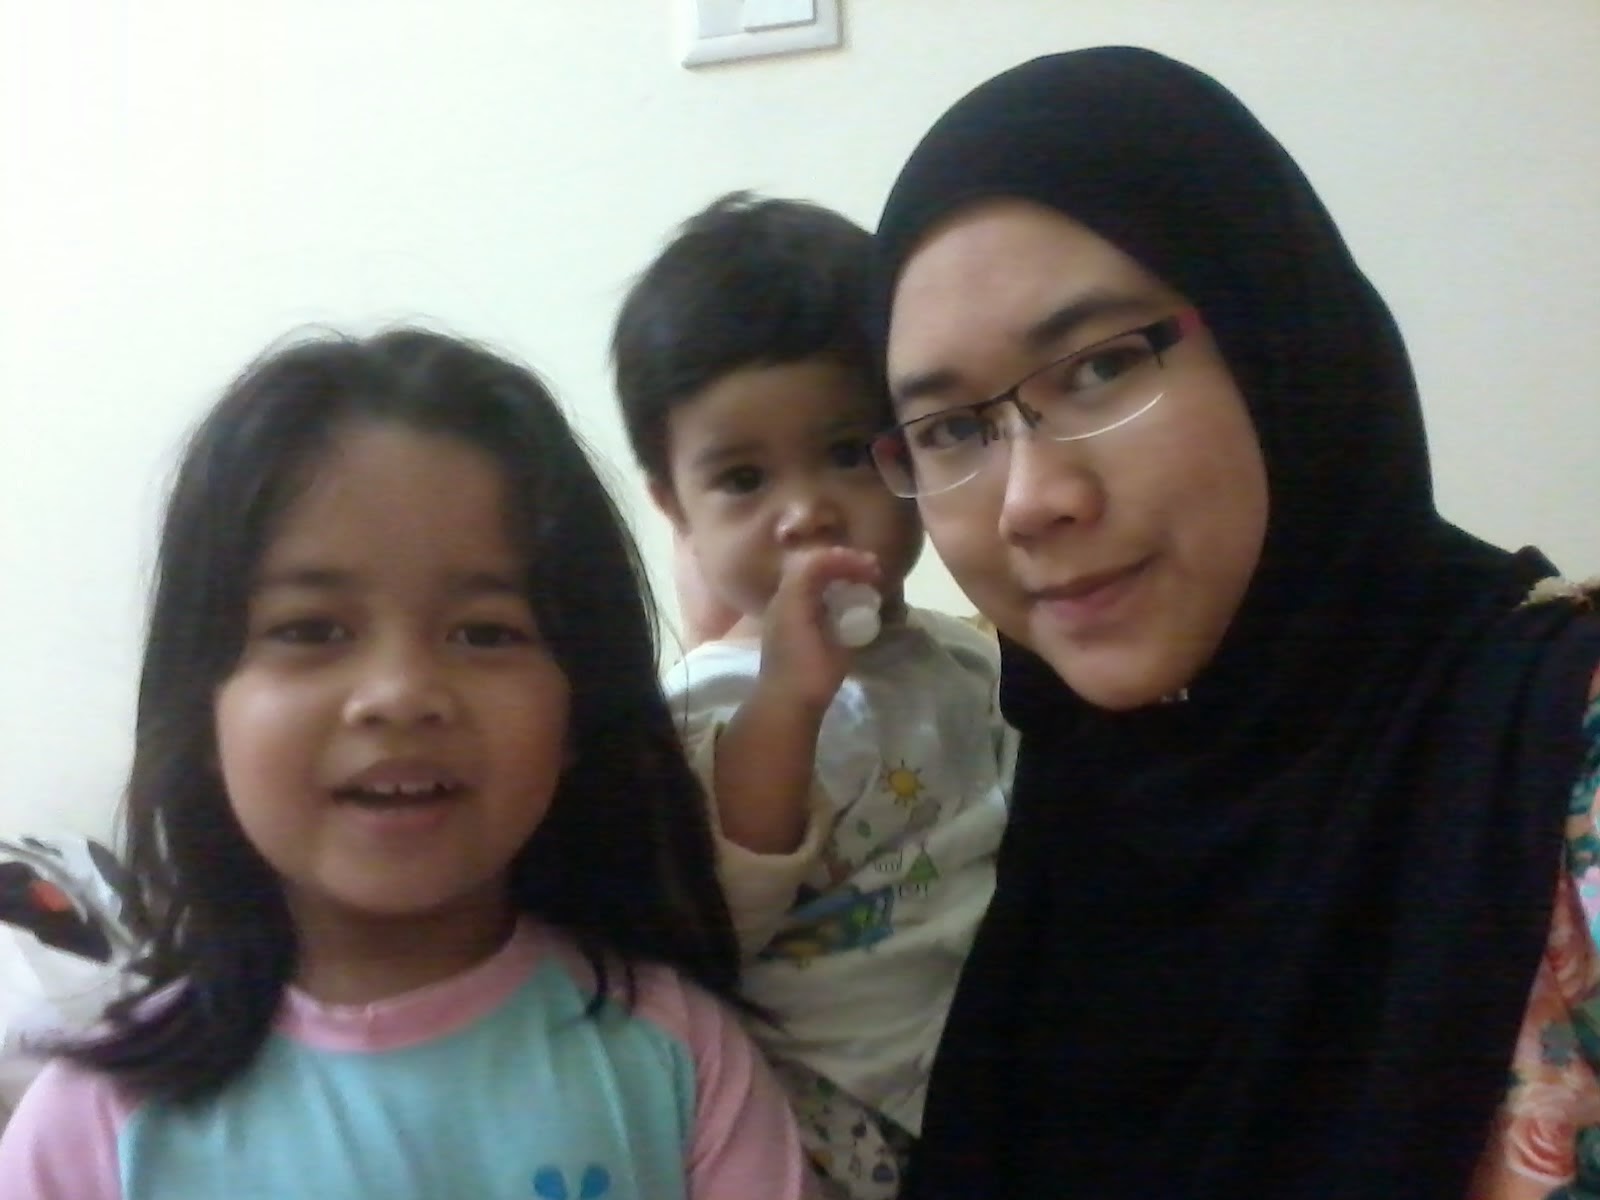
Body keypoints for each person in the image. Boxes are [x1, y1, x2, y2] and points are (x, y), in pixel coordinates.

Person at [867, 46, 1600, 1200]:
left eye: (1100, 367)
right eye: (952, 431)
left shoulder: (1555, 752)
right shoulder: (1003, 819)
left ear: (1275, 339)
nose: (1030, 500)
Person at [0, 329, 816, 1200]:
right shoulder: (93, 1125)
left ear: (579, 707)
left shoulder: (679, 1058)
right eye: (311, 629)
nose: (400, 693)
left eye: (485, 632)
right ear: (203, 707)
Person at [612, 193, 1012, 1199]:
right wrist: (789, 700)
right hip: (818, 1105)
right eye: (744, 479)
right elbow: (718, 913)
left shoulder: (964, 661)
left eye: (845, 453)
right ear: (675, 508)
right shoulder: (704, 705)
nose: (806, 512)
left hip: (985, 1065)